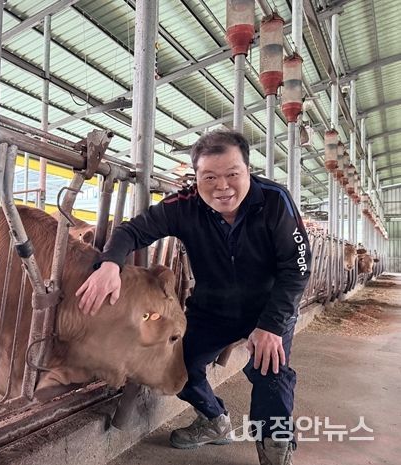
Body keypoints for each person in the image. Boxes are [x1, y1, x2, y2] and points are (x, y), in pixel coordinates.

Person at [76, 130, 311, 465]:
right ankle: (214, 420)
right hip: (213, 308)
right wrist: (110, 264)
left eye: (232, 174)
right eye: (209, 177)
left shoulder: (275, 201)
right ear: (196, 177)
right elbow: (132, 230)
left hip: (269, 307)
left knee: (271, 374)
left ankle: (275, 451)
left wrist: (272, 325)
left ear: (248, 170)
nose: (222, 186)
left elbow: (297, 267)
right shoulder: (185, 205)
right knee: (175, 365)